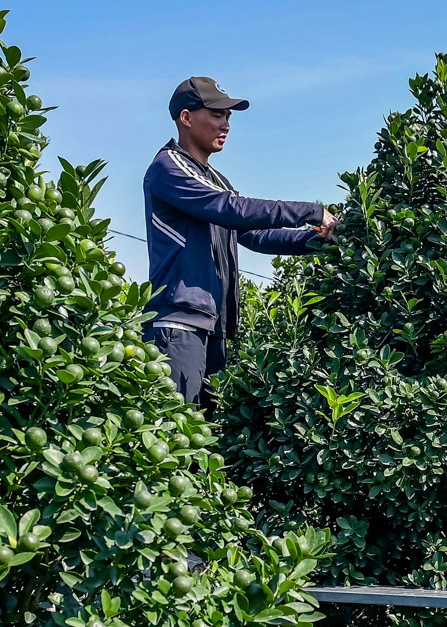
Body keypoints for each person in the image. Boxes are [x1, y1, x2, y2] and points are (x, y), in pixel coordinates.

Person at [143, 76, 339, 408]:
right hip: (179, 324)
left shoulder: (216, 180)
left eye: (229, 117)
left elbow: (253, 234)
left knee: (205, 440)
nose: (226, 124)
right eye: (217, 114)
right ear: (186, 118)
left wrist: (320, 241)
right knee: (178, 435)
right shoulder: (168, 168)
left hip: (212, 327)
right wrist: (311, 211)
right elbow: (233, 210)